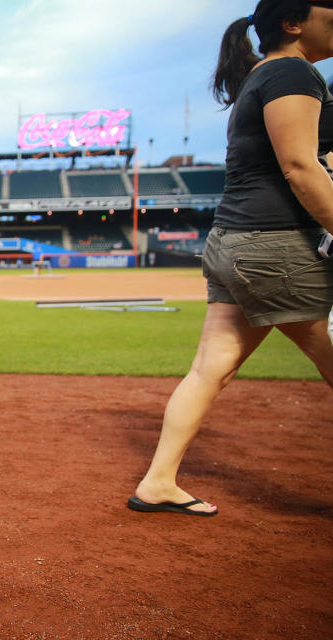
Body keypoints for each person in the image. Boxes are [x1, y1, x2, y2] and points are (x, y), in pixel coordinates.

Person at [129, 0, 333, 517]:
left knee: (208, 370)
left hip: (236, 242)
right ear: (293, 23)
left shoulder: (264, 75)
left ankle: (158, 482)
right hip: (275, 246)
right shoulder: (291, 72)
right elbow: (299, 166)